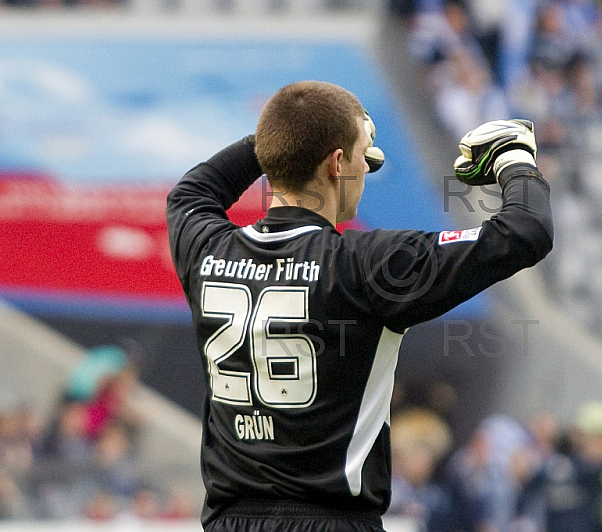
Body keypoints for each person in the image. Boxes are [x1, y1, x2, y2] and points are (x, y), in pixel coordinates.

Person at [166, 80, 553, 531]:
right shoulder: (367, 265)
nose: (366, 168)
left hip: (228, 523)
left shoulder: (207, 249)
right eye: (362, 152)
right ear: (336, 162)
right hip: (333, 522)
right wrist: (514, 158)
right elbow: (525, 230)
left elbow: (192, 190)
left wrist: (285, 136)